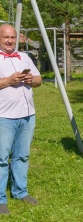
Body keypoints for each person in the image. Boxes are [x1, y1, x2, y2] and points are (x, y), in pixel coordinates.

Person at [0, 24, 42, 215]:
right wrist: (8, 81)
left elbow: (39, 80)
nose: (10, 41)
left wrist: (30, 79)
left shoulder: (24, 56)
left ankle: (20, 191)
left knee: (22, 156)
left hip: (27, 115)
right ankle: (1, 199)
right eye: (6, 37)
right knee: (1, 159)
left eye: (12, 37)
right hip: (4, 117)